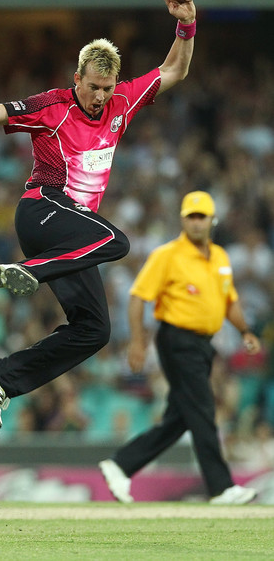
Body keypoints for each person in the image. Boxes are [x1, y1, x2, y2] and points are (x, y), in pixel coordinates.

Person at [0, 0, 196, 433]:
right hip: (42, 208)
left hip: (72, 237)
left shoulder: (123, 101)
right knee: (117, 241)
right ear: (77, 78)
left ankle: (0, 377)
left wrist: (187, 27)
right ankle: (32, 270)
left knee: (95, 330)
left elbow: (173, 70)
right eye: (92, 87)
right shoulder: (53, 106)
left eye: (107, 88)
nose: (99, 97)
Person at [99, 191, 261, 505]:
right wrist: (137, 342)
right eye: (191, 217)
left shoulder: (221, 258)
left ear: (212, 220)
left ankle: (121, 464)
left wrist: (245, 331)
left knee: (182, 415)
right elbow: (138, 297)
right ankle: (221, 488)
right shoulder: (167, 255)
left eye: (202, 217)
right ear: (183, 220)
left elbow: (230, 301)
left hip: (203, 343)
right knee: (203, 408)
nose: (196, 223)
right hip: (177, 339)